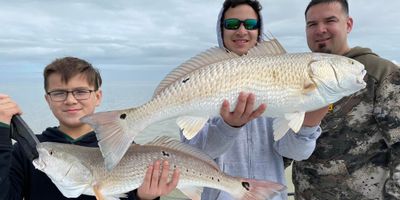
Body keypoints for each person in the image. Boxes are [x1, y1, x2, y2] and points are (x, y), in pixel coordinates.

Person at [181, 0, 328, 199]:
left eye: (250, 25)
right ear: (220, 29)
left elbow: (294, 152)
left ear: (259, 31)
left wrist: (309, 124)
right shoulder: (200, 79)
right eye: (232, 24)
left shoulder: (281, 77)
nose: (242, 31)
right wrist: (228, 127)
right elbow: (192, 155)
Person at [0, 57, 179, 200]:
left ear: (98, 96)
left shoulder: (121, 147)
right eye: (59, 93)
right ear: (48, 100)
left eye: (81, 91)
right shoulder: (27, 151)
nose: (70, 100)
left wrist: (145, 198)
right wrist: (2, 132)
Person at [292, 0, 400, 199]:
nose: (320, 29)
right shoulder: (298, 74)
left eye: (330, 20)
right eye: (312, 24)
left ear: (348, 24)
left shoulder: (381, 73)